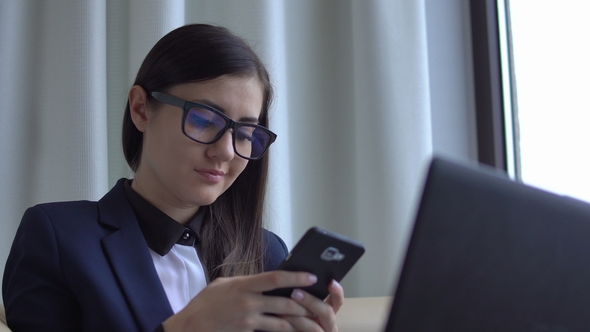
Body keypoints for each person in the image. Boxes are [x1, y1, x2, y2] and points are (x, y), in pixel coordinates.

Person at [2, 24, 343, 332]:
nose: (226, 152)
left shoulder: (266, 253)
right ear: (141, 109)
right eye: (205, 119)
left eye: (245, 133)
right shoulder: (57, 237)